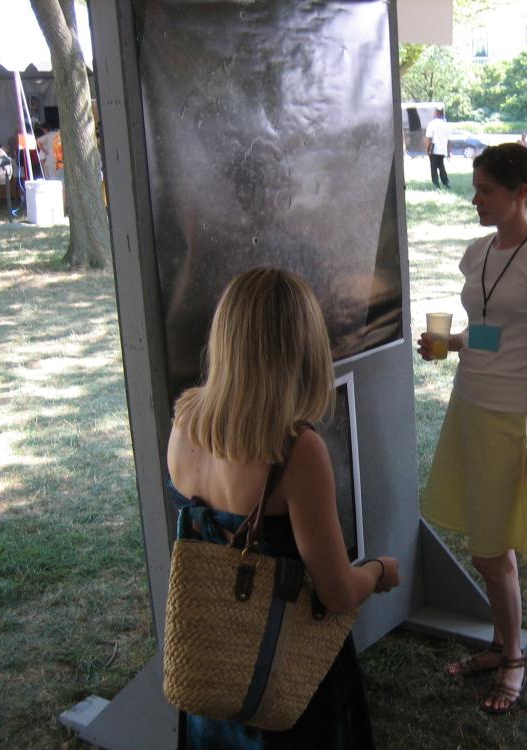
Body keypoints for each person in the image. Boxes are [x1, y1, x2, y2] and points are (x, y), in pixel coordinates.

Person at [166, 268, 401, 749]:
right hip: (281, 676)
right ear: (302, 348)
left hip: (212, 668)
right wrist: (378, 571)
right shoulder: (295, 450)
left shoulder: (186, 420)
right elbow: (336, 592)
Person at [418, 143, 527, 714]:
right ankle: (502, 644)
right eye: (476, 187)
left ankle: (513, 660)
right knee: (483, 539)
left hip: (513, 416)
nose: (475, 198)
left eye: (485, 189)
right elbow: (492, 332)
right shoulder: (478, 252)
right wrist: (450, 344)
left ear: (521, 194)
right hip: (470, 404)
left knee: (492, 550)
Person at [424, 108, 451, 189]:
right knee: (441, 166)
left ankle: (436, 184)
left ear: (436, 113)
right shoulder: (446, 125)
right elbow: (449, 141)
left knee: (433, 167)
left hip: (434, 149)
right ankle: (446, 183)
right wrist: (449, 152)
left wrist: (427, 149)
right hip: (442, 150)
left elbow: (429, 138)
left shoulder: (432, 124)